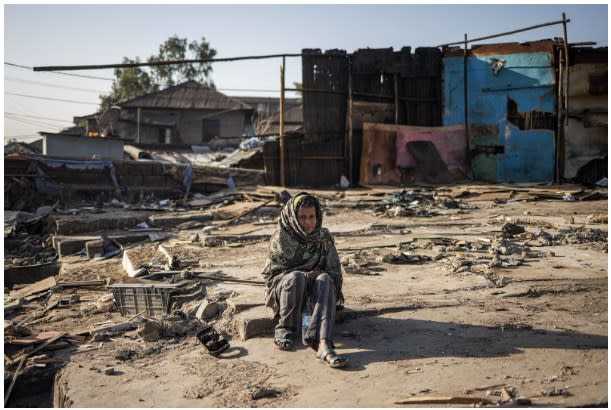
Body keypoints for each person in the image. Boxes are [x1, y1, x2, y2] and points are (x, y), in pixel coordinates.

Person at [261, 192, 348, 368]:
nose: (308, 222)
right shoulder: (280, 238)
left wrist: (317, 274)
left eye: (311, 217)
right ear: (292, 217)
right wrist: (303, 274)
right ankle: (286, 329)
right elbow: (273, 276)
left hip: (317, 289)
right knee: (295, 277)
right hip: (287, 290)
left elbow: (334, 272)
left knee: (325, 279)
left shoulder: (323, 238)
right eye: (302, 217)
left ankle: (322, 342)